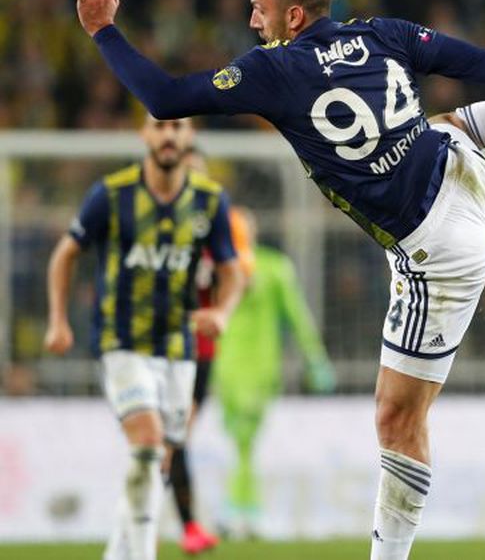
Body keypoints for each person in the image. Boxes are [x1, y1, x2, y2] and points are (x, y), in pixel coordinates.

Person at [71, 0, 485, 560]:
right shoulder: (380, 33)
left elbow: (166, 98)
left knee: (396, 418)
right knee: (444, 121)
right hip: (468, 173)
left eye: (260, 9)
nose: (253, 20)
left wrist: (104, 31)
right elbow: (476, 60)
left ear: (294, 18)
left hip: (437, 251)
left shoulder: (272, 70)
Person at [43, 115, 245, 560]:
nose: (169, 135)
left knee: (157, 459)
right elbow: (65, 254)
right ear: (146, 135)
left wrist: (223, 312)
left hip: (179, 348)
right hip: (122, 342)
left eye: (178, 128)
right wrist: (58, 319)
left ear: (189, 137)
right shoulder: (112, 195)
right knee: (149, 442)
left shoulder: (209, 202)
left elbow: (232, 271)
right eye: (160, 127)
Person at [211, 207, 336, 537]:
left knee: (244, 441)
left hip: (260, 367)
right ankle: (244, 509)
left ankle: (238, 509)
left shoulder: (274, 267)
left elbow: (296, 317)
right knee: (242, 442)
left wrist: (315, 358)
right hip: (224, 367)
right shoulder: (216, 269)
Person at [166, 147, 256, 555]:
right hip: (155, 342)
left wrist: (223, 301)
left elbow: (237, 275)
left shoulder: (216, 226)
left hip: (200, 347)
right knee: (170, 434)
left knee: (176, 434)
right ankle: (181, 524)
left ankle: (178, 521)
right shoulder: (154, 223)